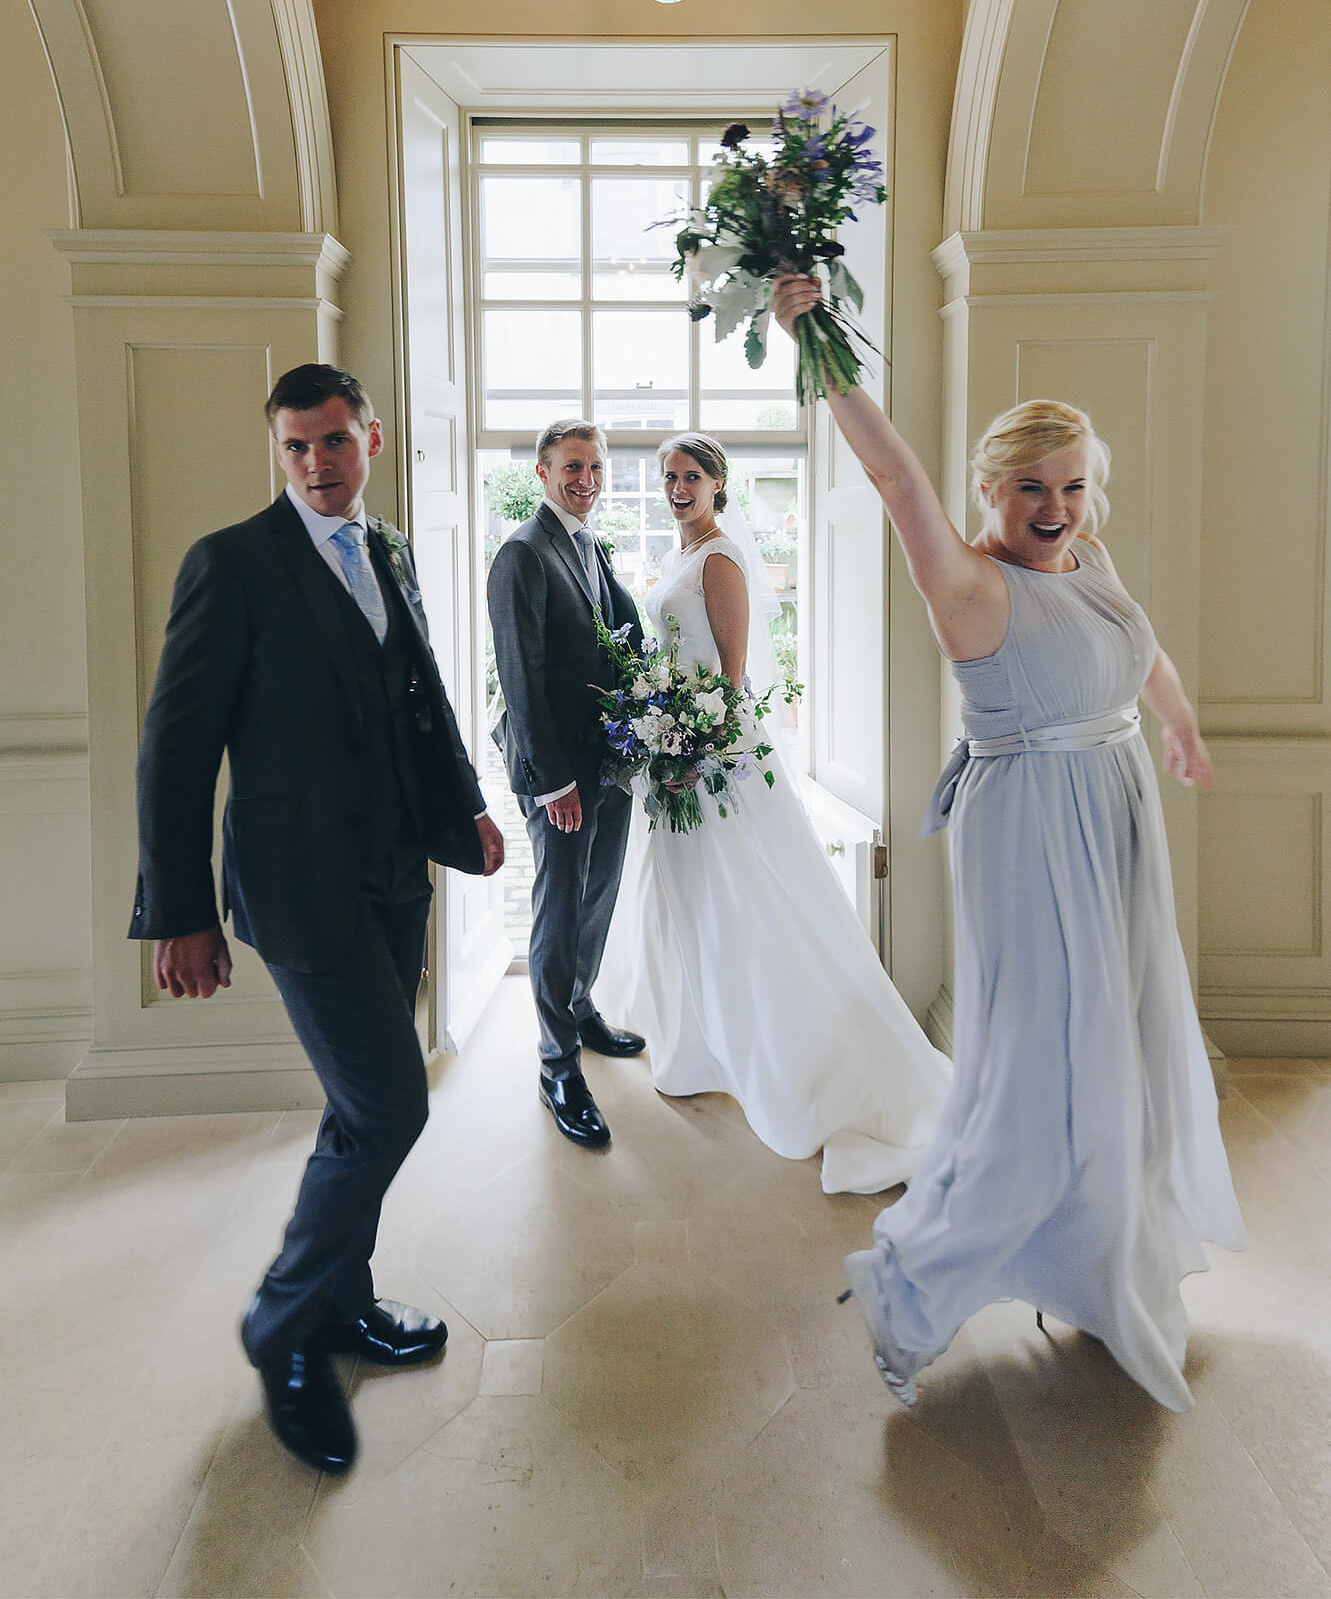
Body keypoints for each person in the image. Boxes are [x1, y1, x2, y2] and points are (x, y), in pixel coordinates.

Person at [771, 273, 1245, 1411]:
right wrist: (813, 334)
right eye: (1031, 485)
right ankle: (916, 1283)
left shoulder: (1084, 558)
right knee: (1044, 1067)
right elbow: (892, 474)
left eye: (1072, 485)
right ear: (990, 487)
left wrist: (1174, 723)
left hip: (1114, 809)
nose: (1055, 504)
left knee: (1117, 1048)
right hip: (1029, 822)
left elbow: (1138, 646)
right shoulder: (968, 581)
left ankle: (1092, 1260)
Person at [130, 363, 503, 1475]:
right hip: (297, 888)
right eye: (295, 447)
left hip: (393, 874)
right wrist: (179, 912)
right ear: (278, 450)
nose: (316, 464)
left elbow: (419, 694)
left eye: (334, 441)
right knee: (390, 1104)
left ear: (369, 438)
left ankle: (340, 1303)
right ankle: (283, 1321)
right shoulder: (231, 564)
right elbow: (175, 749)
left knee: (357, 1107)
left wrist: (465, 808)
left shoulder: (385, 549)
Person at [597, 433, 952, 1195]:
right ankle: (696, 1043)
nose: (676, 487)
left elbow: (729, 675)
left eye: (691, 476)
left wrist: (693, 743)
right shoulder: (678, 559)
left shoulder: (720, 559)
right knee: (686, 898)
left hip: (713, 757)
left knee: (743, 899)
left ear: (718, 485)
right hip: (674, 753)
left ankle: (789, 1052)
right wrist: (658, 725)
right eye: (667, 477)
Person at [487, 419, 647, 1150]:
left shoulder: (589, 543)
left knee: (598, 895)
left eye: (595, 468)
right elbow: (520, 677)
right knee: (558, 909)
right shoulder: (521, 554)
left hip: (609, 758)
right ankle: (557, 1065)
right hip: (557, 771)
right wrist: (552, 785)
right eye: (572, 468)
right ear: (543, 475)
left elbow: (616, 638)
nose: (586, 480)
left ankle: (580, 1008)